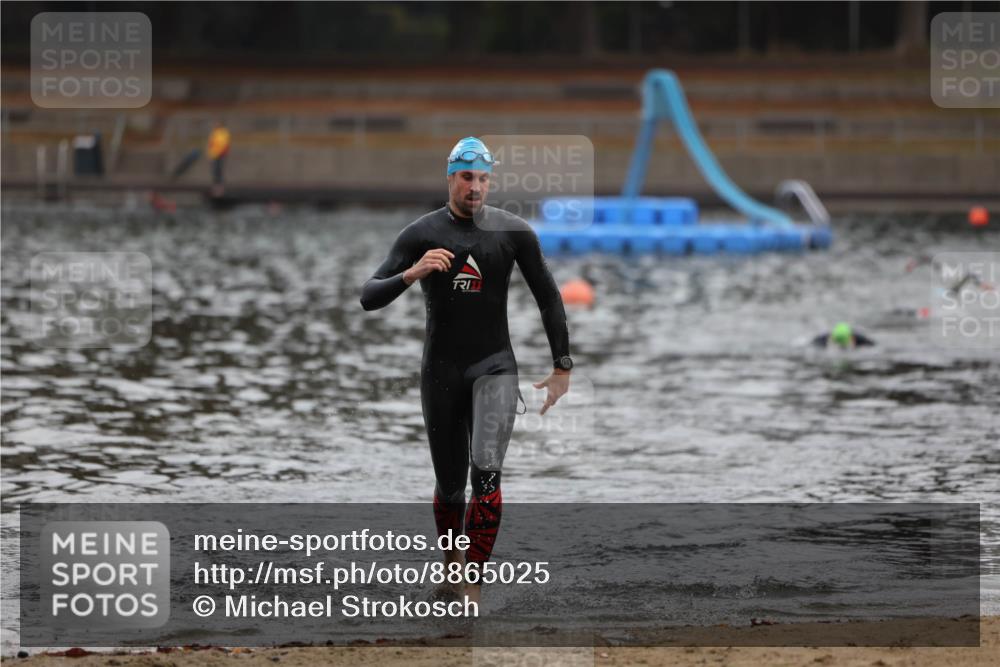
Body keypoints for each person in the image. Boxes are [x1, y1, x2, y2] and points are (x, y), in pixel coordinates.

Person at [360, 137, 573, 605]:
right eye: (466, 178)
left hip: (496, 365)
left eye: (482, 179)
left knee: (488, 471)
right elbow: (368, 295)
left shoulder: (514, 232)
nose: (474, 188)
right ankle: (450, 566)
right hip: (441, 370)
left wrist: (562, 366)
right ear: (450, 178)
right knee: (451, 484)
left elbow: (549, 297)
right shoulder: (421, 234)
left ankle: (473, 584)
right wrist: (411, 274)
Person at [811, 322, 875, 349]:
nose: (840, 347)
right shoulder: (820, 341)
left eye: (844, 345)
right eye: (836, 343)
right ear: (830, 338)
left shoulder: (862, 341)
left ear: (852, 339)